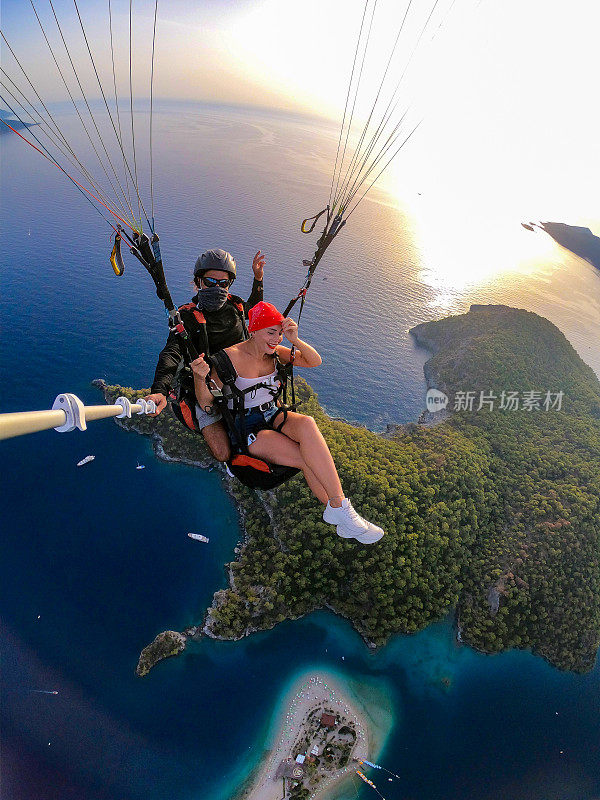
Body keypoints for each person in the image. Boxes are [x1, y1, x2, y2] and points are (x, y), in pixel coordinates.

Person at [190, 301, 385, 544]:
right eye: (270, 332)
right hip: (247, 429)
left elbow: (315, 361)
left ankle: (341, 508)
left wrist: (294, 339)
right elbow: (207, 404)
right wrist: (200, 378)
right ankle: (340, 510)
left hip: (273, 413)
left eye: (279, 333)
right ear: (253, 330)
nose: (276, 339)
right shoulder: (227, 360)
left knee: (307, 423)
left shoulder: (277, 353)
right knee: (305, 457)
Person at [145, 248, 265, 461]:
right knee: (222, 453)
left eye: (224, 283)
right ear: (199, 281)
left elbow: (254, 310)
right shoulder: (187, 317)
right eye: (211, 282)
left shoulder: (236, 306)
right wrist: (160, 390)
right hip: (205, 390)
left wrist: (258, 279)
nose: (217, 288)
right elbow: (172, 352)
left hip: (239, 382)